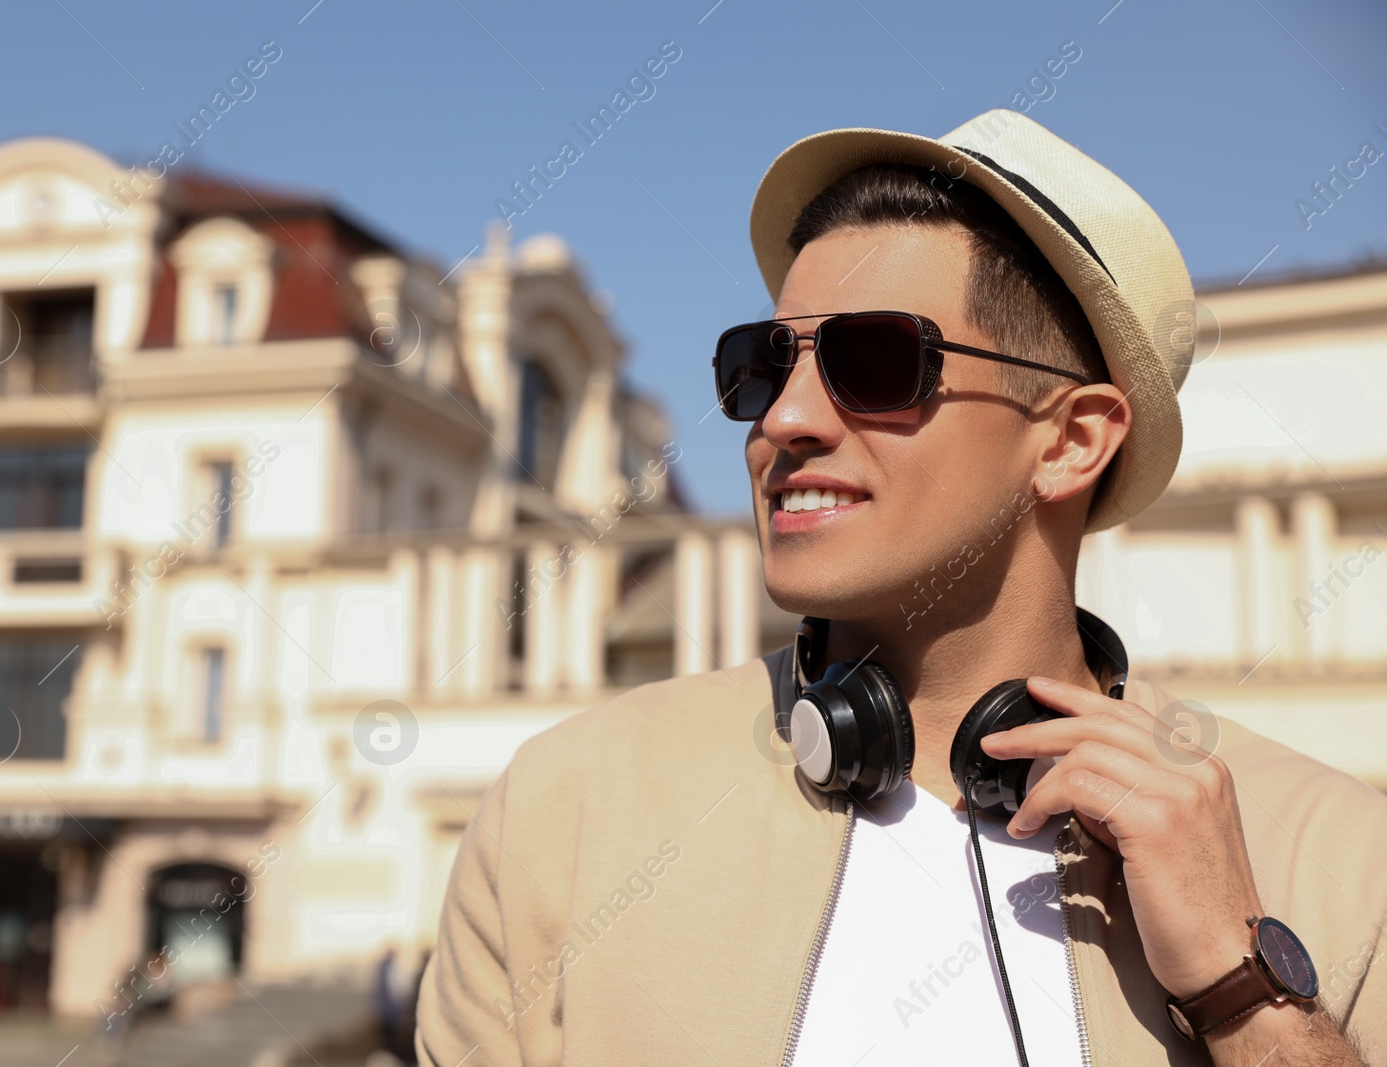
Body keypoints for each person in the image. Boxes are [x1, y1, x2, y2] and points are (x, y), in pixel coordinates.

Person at [414, 110, 1387, 1066]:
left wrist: (1243, 994)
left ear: (1071, 438)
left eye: (872, 360)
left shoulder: (1336, 860)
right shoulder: (565, 810)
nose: (783, 419)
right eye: (761, 365)